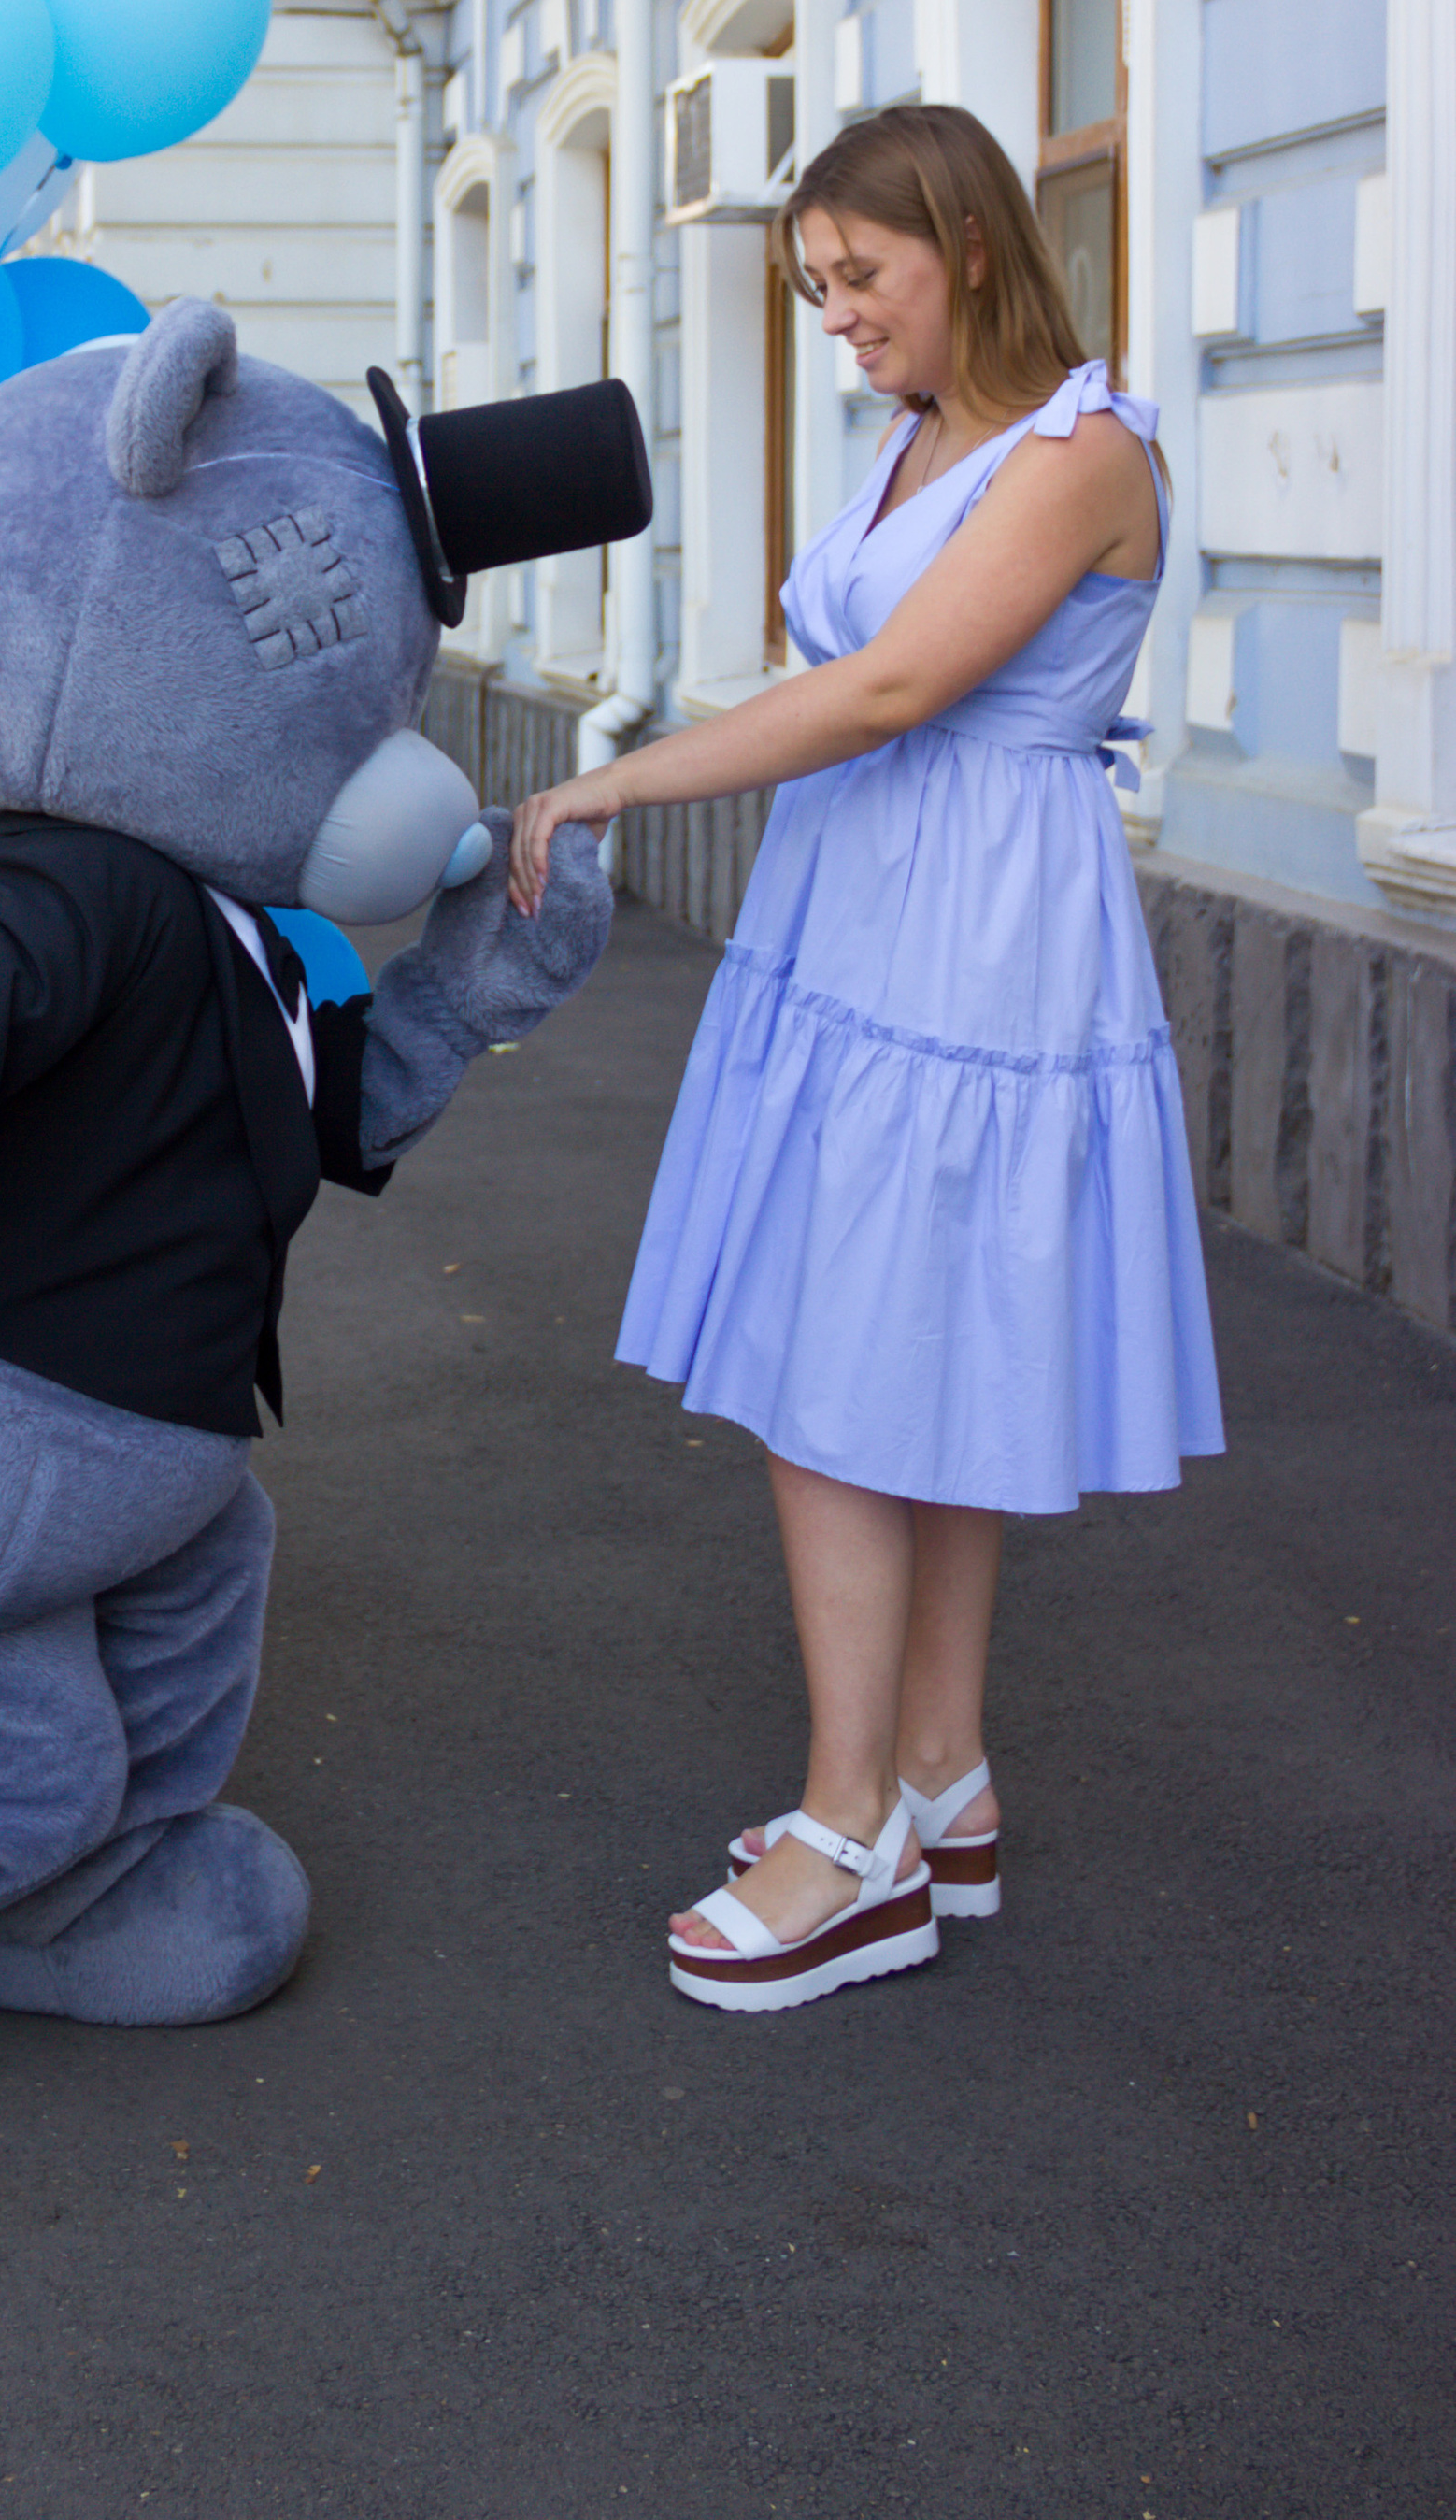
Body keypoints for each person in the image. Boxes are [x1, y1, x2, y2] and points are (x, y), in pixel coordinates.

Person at [510, 103, 1223, 2017]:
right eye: (811, 285)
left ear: (967, 249)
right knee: (903, 1353)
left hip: (971, 939)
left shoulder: (1081, 448)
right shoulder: (927, 434)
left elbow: (896, 682)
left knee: (847, 1363)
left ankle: (850, 1845)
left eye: (858, 279)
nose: (832, 319)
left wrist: (610, 783)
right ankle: (935, 1778)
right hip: (865, 917)